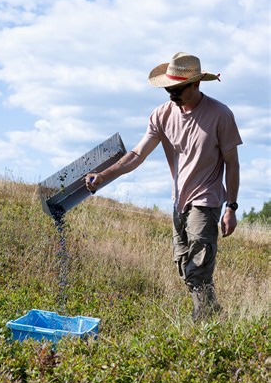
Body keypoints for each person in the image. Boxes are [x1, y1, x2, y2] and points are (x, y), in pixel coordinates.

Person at [86, 52, 242, 321]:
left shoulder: (220, 114)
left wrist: (231, 207)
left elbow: (233, 164)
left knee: (198, 267)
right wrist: (104, 175)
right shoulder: (162, 115)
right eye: (168, 89)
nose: (171, 94)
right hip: (178, 200)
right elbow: (137, 155)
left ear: (196, 85)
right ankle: (215, 314)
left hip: (206, 200)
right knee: (183, 263)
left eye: (177, 89)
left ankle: (203, 326)